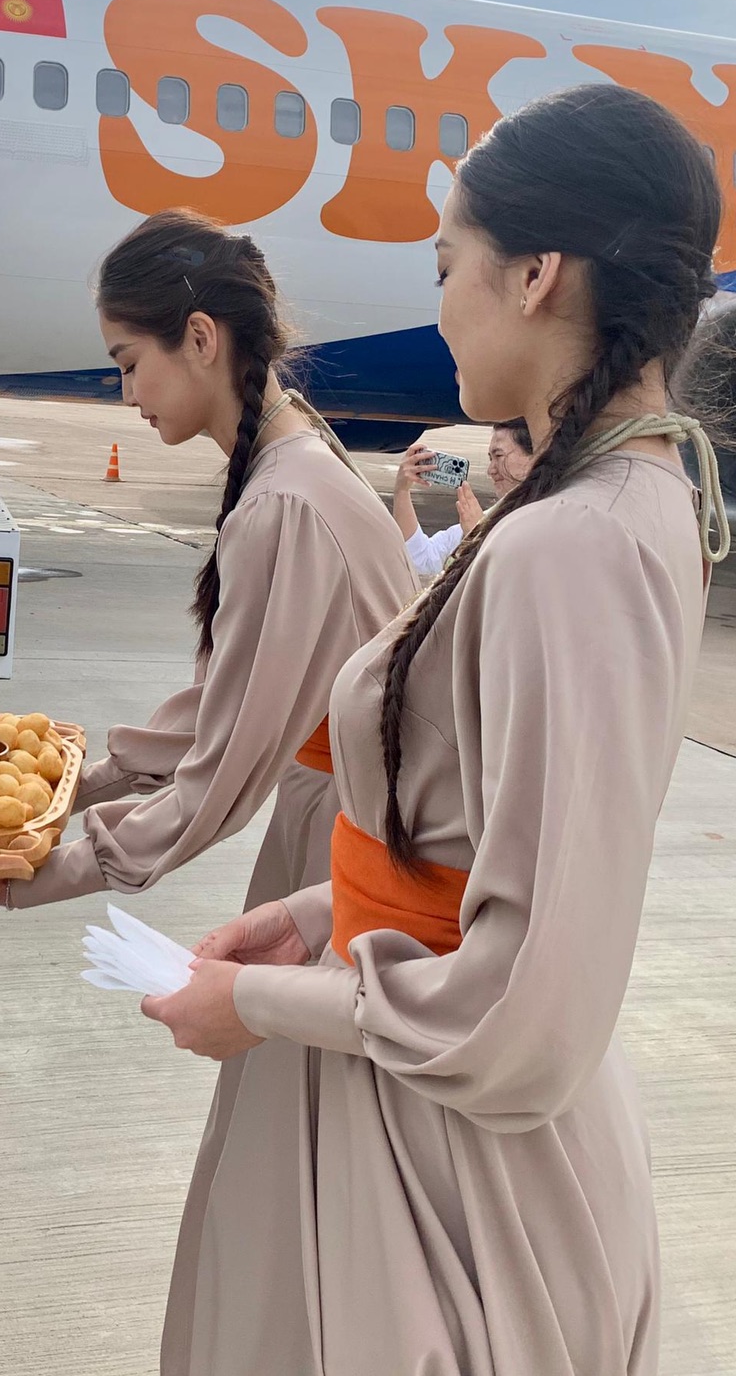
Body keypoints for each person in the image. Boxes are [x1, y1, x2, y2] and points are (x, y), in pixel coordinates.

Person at [139, 84, 730, 1376]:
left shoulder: (573, 542)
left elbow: (525, 1009)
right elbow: (488, 845)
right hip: (423, 1097)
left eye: (447, 265)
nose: (444, 301)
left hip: (449, 1166)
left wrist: (261, 1000)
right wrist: (321, 912)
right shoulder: (617, 504)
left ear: (535, 274)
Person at [392, 418, 534, 579]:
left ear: (535, 455)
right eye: (490, 459)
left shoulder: (548, 523)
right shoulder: (487, 518)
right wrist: (402, 491)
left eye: (499, 456)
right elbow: (422, 561)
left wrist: (479, 539)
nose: (491, 470)